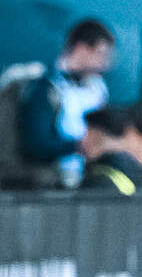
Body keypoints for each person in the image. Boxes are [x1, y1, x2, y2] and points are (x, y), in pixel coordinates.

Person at [17, 18, 114, 187]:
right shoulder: (45, 88)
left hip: (88, 179)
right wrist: (79, 146)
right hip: (51, 183)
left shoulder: (96, 89)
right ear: (81, 48)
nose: (104, 64)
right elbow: (37, 144)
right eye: (100, 55)